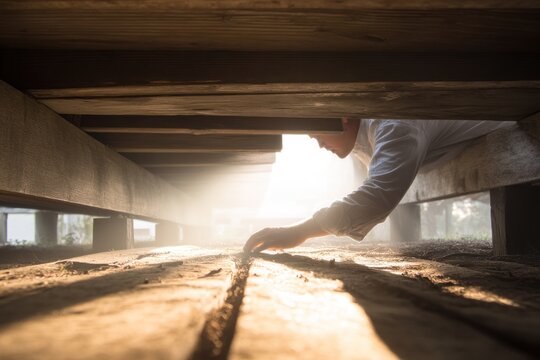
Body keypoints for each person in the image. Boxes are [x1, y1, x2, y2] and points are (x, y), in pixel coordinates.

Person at [243, 118, 515, 253]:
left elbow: (377, 197)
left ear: (344, 117)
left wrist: (299, 231)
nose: (320, 145)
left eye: (318, 136)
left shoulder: (394, 125)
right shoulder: (365, 138)